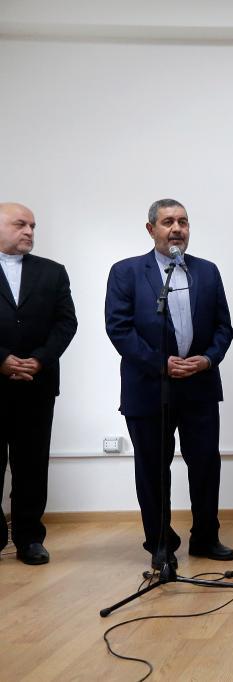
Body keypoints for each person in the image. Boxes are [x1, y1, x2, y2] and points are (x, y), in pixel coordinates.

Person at [105, 199, 233, 569]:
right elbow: (119, 328)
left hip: (199, 385)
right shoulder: (127, 272)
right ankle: (160, 543)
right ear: (151, 230)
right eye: (167, 222)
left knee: (205, 464)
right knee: (152, 469)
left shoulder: (207, 271)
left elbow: (224, 327)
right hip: (149, 388)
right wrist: (159, 363)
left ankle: (206, 537)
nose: (177, 228)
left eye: (183, 222)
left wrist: (207, 359)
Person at [0, 203, 77, 565]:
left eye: (32, 226)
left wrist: (40, 359)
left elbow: (66, 322)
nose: (29, 231)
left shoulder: (52, 271)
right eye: (21, 224)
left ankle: (29, 538)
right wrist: (1, 359)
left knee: (32, 465)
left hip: (37, 383)